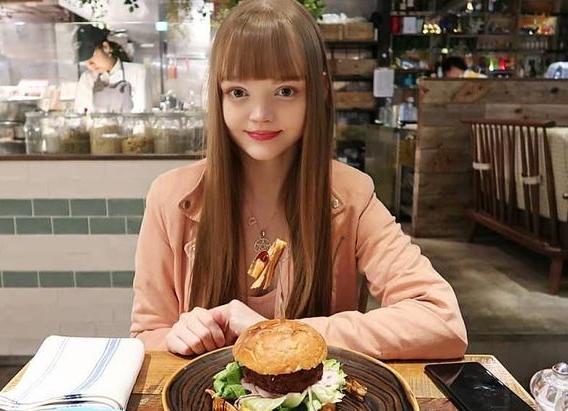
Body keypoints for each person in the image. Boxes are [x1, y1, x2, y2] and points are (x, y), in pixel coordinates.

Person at [129, 0, 467, 360]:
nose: (260, 114)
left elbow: (441, 322)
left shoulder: (351, 196)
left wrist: (281, 334)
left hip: (313, 396)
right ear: (219, 95)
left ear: (319, 90)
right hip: (203, 395)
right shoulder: (171, 197)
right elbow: (148, 333)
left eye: (285, 91)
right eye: (238, 92)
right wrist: (175, 337)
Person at [73, 24, 151, 114]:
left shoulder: (138, 73)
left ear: (106, 47)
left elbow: (143, 114)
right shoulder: (87, 78)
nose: (90, 65)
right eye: (85, 61)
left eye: (91, 57)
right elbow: (82, 114)